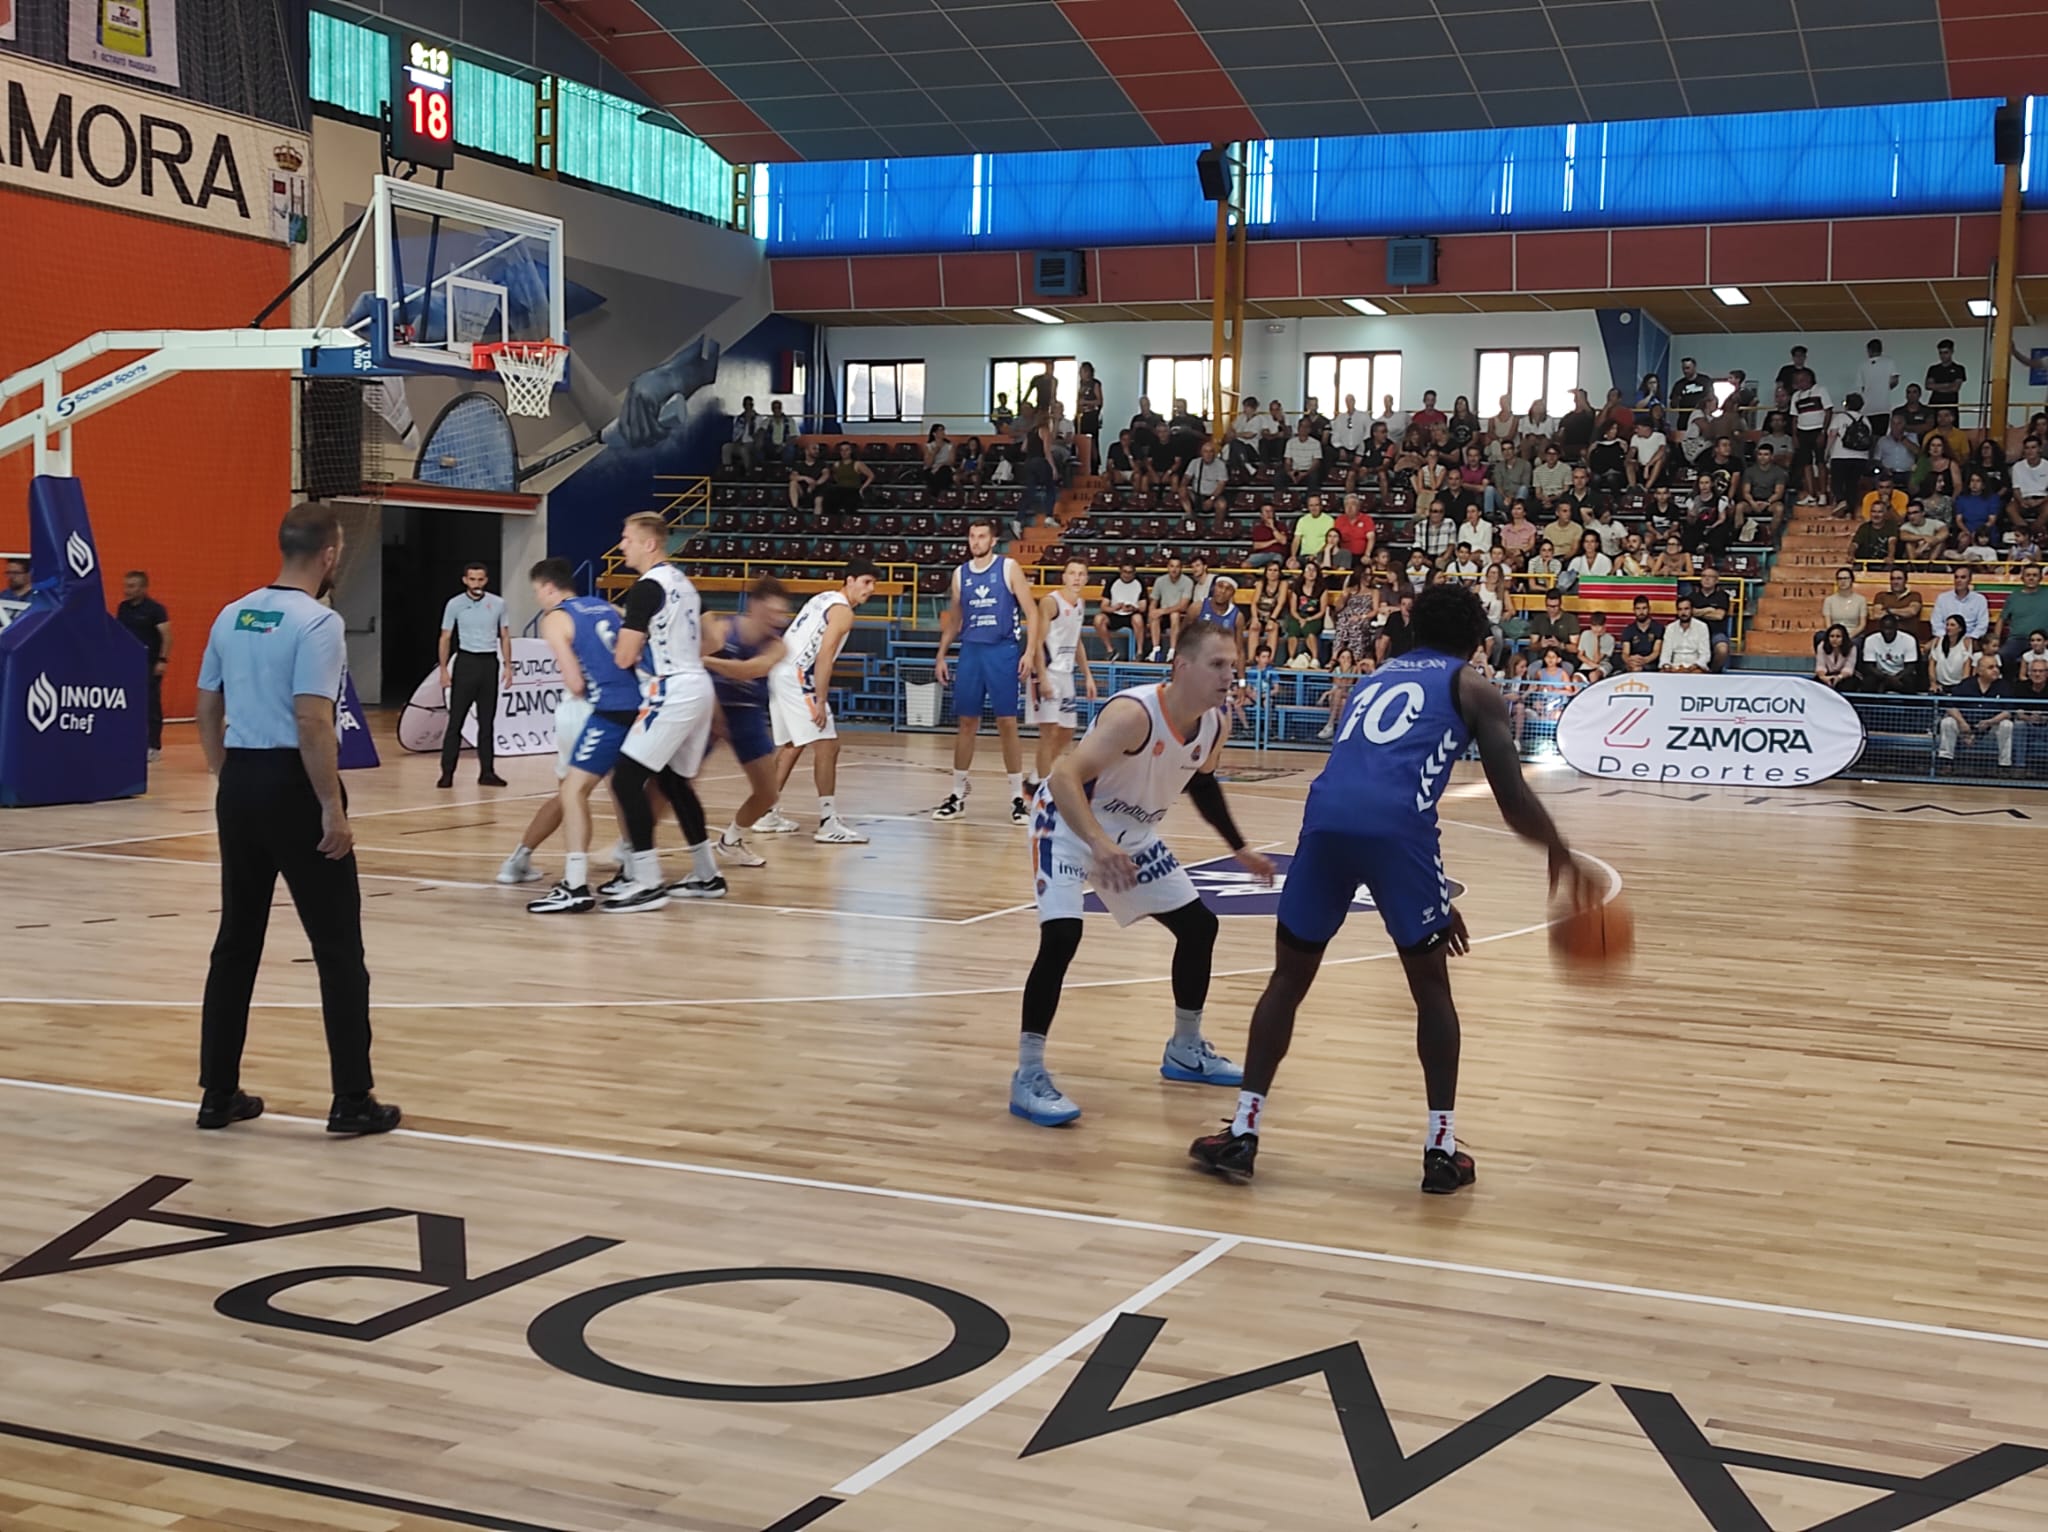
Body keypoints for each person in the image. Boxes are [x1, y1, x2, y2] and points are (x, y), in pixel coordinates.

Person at [1187, 584, 1595, 1193]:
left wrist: (1435, 895)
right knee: (1431, 988)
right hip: (1397, 831)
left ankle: (1243, 1133)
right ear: (1476, 638)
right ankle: (1441, 1149)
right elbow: (1506, 797)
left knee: (1288, 980)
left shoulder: (1376, 677)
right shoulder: (1474, 685)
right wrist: (1560, 852)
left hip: (1323, 823)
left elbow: (1376, 770)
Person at [1012, 621, 1273, 1127]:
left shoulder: (1215, 723)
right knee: (1063, 935)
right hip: (1065, 824)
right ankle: (1027, 1075)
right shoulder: (1135, 714)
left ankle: (1185, 1048)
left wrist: (1239, 847)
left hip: (1127, 835)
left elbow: (1202, 782)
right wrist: (1098, 844)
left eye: (1233, 666)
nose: (1230, 675)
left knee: (1199, 927)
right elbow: (1064, 776)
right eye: (1218, 665)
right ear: (1182, 667)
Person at [191, 502, 399, 1135]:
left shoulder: (233, 614)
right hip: (294, 784)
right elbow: (313, 721)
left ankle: (217, 1093)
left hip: (242, 781)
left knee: (236, 943)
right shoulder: (318, 624)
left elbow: (205, 703)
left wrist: (227, 773)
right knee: (338, 949)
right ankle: (352, 1099)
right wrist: (330, 808)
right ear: (330, 555)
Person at [603, 513, 724, 912]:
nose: (622, 546)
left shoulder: (645, 588)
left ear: (649, 544)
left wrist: (613, 635)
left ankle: (647, 880)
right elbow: (713, 640)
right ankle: (707, 875)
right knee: (673, 783)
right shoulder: (683, 584)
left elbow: (624, 656)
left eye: (627, 539)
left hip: (672, 690)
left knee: (625, 780)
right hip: (696, 685)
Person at [522, 560, 649, 913]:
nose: (538, 599)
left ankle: (575, 884)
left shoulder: (555, 619)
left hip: (609, 707)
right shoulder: (607, 606)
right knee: (622, 788)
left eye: (536, 592)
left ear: (548, 588)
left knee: (573, 790)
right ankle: (634, 870)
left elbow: (576, 683)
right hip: (640, 702)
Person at [933, 520, 1041, 825]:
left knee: (1007, 722)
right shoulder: (960, 574)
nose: (976, 541)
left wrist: (1029, 652)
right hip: (970, 651)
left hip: (1002, 651)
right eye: (972, 536)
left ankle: (1017, 799)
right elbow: (955, 621)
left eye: (982, 536)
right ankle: (956, 795)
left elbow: (1031, 612)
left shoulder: (1008, 568)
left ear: (993, 541)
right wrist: (941, 654)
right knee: (966, 723)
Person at [769, 561, 878, 845]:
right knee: (828, 745)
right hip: (797, 674)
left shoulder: (822, 597)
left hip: (778, 669)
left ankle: (765, 812)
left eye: (873, 584)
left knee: (792, 745)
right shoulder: (843, 613)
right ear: (850, 580)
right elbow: (824, 656)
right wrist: (820, 700)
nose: (871, 589)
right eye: (866, 582)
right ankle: (828, 822)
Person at [701, 575, 796, 866]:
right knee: (671, 784)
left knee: (768, 794)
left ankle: (731, 841)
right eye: (773, 612)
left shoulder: (778, 645)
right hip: (710, 709)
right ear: (754, 607)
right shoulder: (721, 630)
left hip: (746, 713)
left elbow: (750, 670)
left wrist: (703, 660)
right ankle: (631, 844)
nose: (778, 619)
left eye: (782, 614)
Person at [436, 561, 512, 790]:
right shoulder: (455, 604)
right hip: (466, 661)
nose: (476, 583)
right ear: (465, 580)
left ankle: (487, 772)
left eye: (480, 579)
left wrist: (509, 665)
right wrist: (443, 669)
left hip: (489, 662)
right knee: (456, 720)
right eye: (472, 579)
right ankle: (447, 773)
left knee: (487, 721)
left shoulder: (498, 603)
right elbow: (445, 637)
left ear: (486, 580)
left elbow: (505, 635)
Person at [1029, 559, 1099, 789]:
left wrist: (1087, 675)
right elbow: (1037, 643)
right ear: (1064, 576)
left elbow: (1076, 641)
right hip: (1047, 671)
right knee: (1048, 732)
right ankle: (1041, 789)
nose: (1077, 577)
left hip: (1066, 673)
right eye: (1072, 573)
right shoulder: (1051, 602)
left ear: (1087, 578)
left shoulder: (1080, 604)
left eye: (1081, 573)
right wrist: (1043, 677)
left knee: (1067, 732)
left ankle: (1032, 779)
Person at [116, 570, 171, 762]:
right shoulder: (122, 608)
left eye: (132, 586)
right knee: (128, 703)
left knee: (151, 704)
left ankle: (153, 746)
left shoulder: (156, 609)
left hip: (149, 663)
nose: (127, 590)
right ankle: (131, 741)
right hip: (126, 663)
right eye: (126, 586)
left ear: (143, 588)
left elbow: (167, 636)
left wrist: (162, 660)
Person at [1939, 655, 2014, 770]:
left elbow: (2008, 711)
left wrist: (1990, 722)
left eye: (1997, 667)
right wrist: (1962, 723)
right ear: (1979, 671)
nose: (1996, 670)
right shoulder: (1966, 684)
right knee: (1947, 722)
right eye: (1991, 667)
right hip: (1965, 726)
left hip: (1991, 727)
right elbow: (1950, 706)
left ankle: (2004, 765)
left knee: (2007, 725)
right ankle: (1946, 762)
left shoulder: (2003, 685)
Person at [1094, 559, 1148, 660]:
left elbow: (1143, 607)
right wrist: (1113, 608)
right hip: (1114, 614)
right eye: (1124, 572)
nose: (1127, 575)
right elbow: (1104, 605)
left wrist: (1133, 608)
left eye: (1130, 572)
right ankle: (1110, 650)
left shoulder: (1140, 582)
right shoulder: (1112, 582)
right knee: (1098, 619)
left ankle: (1140, 652)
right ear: (1120, 571)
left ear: (1134, 572)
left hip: (1132, 615)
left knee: (1138, 619)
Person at [1860, 612, 1920, 693]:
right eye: (1884, 628)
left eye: (1890, 628)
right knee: (1869, 681)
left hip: (1901, 674)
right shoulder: (1870, 640)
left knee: (1910, 681)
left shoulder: (1909, 640)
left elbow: (1910, 667)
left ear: (1896, 627)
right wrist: (1886, 678)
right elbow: (1869, 666)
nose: (1887, 632)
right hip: (1880, 675)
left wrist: (1896, 678)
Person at [1814, 623, 1858, 689]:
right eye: (1832, 636)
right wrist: (1823, 677)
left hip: (1844, 676)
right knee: (1817, 683)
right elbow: (1820, 666)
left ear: (1844, 638)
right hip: (1827, 675)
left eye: (1838, 636)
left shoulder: (1851, 648)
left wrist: (1839, 677)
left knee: (1847, 684)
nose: (1834, 639)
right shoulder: (1821, 646)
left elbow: (1849, 668)